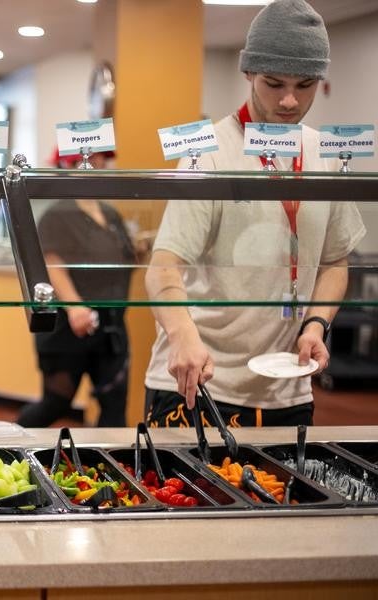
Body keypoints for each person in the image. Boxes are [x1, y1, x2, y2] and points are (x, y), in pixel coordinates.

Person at [144, 0, 366, 428]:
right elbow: (163, 267)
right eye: (273, 83)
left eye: (305, 85)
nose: (288, 100)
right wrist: (182, 336)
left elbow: (336, 261)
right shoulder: (206, 151)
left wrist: (316, 325)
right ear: (247, 73)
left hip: (289, 387)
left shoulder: (325, 152)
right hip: (198, 382)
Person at [18, 151, 136, 428]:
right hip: (70, 326)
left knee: (114, 405)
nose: (94, 167)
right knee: (56, 402)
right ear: (67, 166)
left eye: (99, 161)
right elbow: (52, 263)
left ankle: (112, 469)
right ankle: (5, 452)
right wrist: (74, 307)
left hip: (111, 328)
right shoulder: (58, 214)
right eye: (86, 161)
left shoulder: (110, 213)